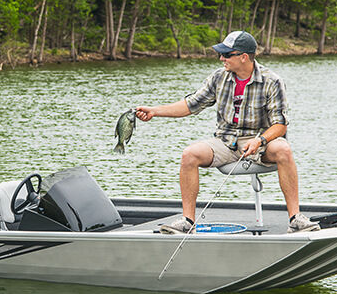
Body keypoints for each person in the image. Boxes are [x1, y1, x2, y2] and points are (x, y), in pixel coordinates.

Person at [135, 30, 319, 234]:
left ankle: (296, 219)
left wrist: (260, 140)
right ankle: (188, 221)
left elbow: (280, 125)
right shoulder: (218, 77)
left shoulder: (272, 81)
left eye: (227, 54)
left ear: (244, 57)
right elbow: (190, 105)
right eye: (220, 54)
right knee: (190, 155)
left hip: (261, 142)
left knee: (283, 149)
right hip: (225, 141)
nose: (221, 58)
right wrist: (154, 111)